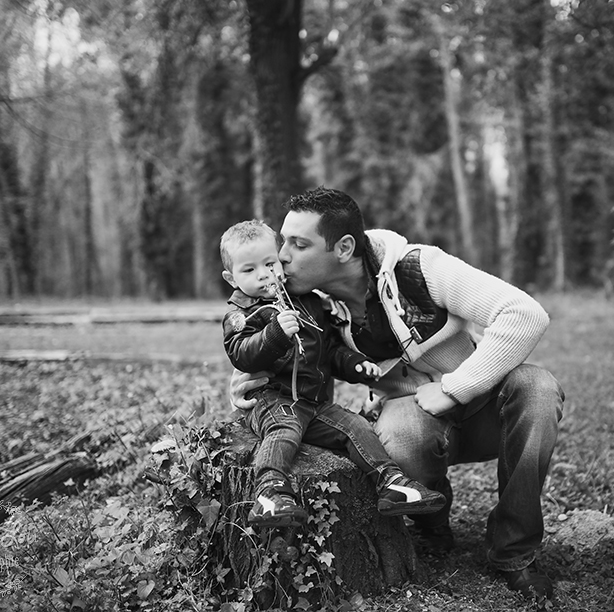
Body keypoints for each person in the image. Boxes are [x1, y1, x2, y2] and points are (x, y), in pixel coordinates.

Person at [229, 188, 565, 599]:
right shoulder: (311, 303)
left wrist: (456, 389)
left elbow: (525, 313)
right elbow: (266, 338)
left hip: (483, 406)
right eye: (283, 242)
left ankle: (515, 551)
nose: (282, 256)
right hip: (414, 415)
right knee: (401, 434)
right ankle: (432, 521)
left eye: (299, 245)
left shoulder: (419, 268)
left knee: (538, 387)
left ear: (344, 247)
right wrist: (249, 377)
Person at [219, 219, 447, 529]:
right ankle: (269, 492)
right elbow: (241, 353)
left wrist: (355, 363)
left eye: (270, 263)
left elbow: (329, 349)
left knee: (355, 426)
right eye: (249, 270)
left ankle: (391, 482)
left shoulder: (309, 302)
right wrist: (273, 335)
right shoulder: (241, 314)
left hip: (315, 402)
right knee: (284, 430)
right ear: (231, 278)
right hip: (273, 400)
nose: (264, 274)